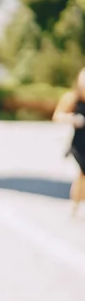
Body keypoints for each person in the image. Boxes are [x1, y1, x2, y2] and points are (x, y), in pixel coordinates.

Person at [52, 68, 85, 216]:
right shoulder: (72, 98)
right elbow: (57, 116)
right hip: (78, 143)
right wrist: (72, 119)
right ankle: (76, 203)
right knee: (83, 173)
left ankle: (77, 203)